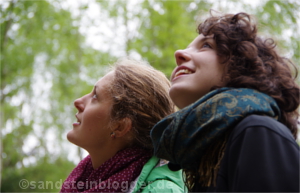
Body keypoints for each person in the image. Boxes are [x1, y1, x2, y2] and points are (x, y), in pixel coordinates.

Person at [151, 11, 300, 192]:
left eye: (206, 45)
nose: (179, 53)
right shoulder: (203, 157)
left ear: (241, 65)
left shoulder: (257, 132)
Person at [60, 58, 185, 193]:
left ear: (120, 126)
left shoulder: (161, 190)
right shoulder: (81, 180)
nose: (78, 102)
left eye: (95, 96)